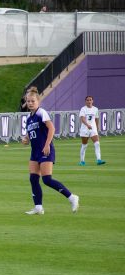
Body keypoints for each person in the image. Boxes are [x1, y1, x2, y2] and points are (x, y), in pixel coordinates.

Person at [22, 87, 79, 215]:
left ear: (38, 102)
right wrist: (26, 139)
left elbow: (51, 128)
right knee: (33, 179)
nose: (30, 103)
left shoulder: (41, 112)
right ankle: (38, 207)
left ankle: (72, 197)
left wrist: (47, 145)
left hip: (45, 150)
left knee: (47, 179)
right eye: (28, 101)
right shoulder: (29, 118)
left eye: (33, 101)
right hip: (35, 152)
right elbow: (30, 135)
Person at [78, 95, 106, 166]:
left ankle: (99, 160)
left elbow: (96, 119)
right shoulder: (83, 109)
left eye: (90, 100)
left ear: (92, 101)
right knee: (84, 145)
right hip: (85, 129)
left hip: (93, 129)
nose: (89, 101)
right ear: (85, 101)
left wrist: (96, 127)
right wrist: (87, 125)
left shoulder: (95, 109)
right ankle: (82, 161)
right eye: (87, 100)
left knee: (97, 144)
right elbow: (82, 118)